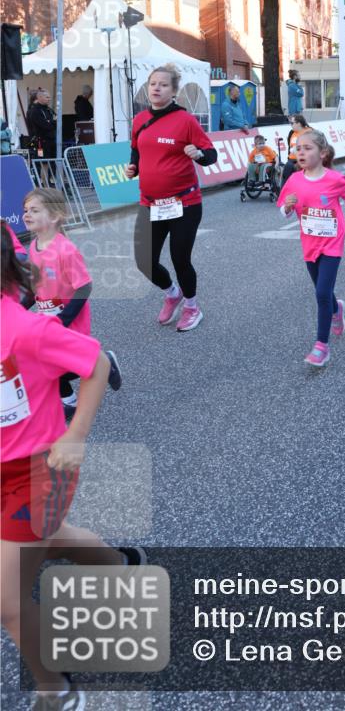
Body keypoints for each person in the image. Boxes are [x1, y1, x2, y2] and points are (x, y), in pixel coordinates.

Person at [1, 225, 145, 711]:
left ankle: (56, 691)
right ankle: (121, 566)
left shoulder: (25, 329)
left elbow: (97, 363)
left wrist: (75, 434)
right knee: (52, 539)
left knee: (7, 600)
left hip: (38, 470)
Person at [126, 64, 218, 332]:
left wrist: (198, 154)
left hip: (184, 203)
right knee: (145, 261)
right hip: (150, 203)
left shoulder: (185, 120)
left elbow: (211, 155)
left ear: (174, 91)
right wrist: (133, 167)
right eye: (153, 83)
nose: (156, 88)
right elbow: (136, 149)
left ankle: (192, 306)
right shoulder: (139, 119)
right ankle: (172, 293)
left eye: (163, 84)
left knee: (180, 258)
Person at [22, 188, 122, 419]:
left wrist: (64, 318)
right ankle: (69, 401)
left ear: (55, 216)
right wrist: (19, 306)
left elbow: (84, 286)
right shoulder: (34, 247)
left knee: (62, 363)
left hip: (69, 318)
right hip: (47, 318)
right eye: (25, 210)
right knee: (45, 362)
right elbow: (36, 285)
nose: (27, 214)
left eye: (34, 210)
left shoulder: (65, 250)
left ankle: (103, 362)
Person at [277, 129, 345, 367]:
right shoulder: (294, 180)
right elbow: (283, 212)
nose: (301, 152)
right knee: (322, 289)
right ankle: (336, 309)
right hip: (309, 242)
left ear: (322, 153)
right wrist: (287, 208)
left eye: (307, 148)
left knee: (321, 293)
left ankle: (322, 346)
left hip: (332, 241)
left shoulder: (334, 178)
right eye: (298, 149)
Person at [26, 88, 57, 158]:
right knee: (42, 160)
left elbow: (58, 121)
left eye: (49, 97)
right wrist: (52, 122)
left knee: (53, 160)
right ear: (39, 98)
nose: (49, 99)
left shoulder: (49, 110)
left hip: (52, 141)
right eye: (47, 97)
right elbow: (46, 126)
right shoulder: (34, 111)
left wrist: (50, 121)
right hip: (40, 142)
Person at [281, 113, 309, 189]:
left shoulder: (308, 132)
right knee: (286, 171)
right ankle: (284, 192)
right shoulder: (292, 133)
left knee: (297, 171)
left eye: (292, 123)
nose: (291, 125)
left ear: (299, 123)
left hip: (303, 159)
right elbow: (290, 147)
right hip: (292, 159)